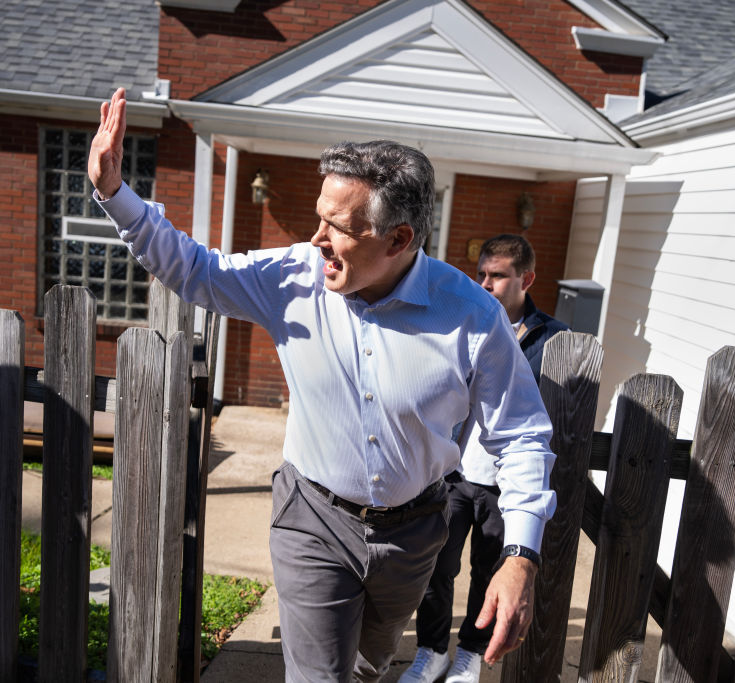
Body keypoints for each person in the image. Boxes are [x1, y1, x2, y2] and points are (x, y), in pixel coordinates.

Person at [88, 88, 556, 682]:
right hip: (314, 519)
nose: (316, 240)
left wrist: (520, 558)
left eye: (336, 227)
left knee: (368, 663)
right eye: (319, 218)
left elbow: (521, 439)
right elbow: (195, 270)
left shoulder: (472, 315)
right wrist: (114, 192)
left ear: (398, 241)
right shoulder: (292, 279)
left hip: (413, 538)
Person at [401, 233, 568, 683]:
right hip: (454, 473)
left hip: (503, 484)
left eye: (498, 276)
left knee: (487, 574)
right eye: (481, 274)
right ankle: (432, 650)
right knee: (437, 568)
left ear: (526, 279)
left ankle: (469, 655)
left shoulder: (554, 340)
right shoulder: (466, 321)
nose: (486, 283)